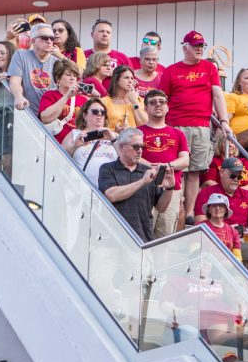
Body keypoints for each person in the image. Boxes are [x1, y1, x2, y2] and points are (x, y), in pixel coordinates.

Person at [158, 31, 228, 228]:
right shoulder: (171, 70)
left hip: (200, 125)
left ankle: (188, 212)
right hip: (175, 125)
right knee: (175, 168)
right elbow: (162, 98)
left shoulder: (209, 68)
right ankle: (174, 207)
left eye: (201, 46)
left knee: (195, 170)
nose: (199, 49)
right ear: (185, 48)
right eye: (195, 45)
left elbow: (217, 95)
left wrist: (223, 121)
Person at [98, 128, 175, 242]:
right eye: (135, 146)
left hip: (142, 239)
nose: (140, 151)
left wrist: (169, 188)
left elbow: (161, 208)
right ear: (121, 147)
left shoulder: (149, 171)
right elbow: (111, 195)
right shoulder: (107, 168)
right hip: (111, 240)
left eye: (142, 147)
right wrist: (142, 181)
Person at [193, 157, 248, 260]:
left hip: (243, 240)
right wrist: (227, 229)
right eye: (233, 175)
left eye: (239, 177)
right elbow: (200, 224)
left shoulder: (247, 195)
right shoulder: (206, 193)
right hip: (217, 240)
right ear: (221, 172)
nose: (236, 179)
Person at [138, 89, 189, 238]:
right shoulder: (138, 132)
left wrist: (166, 166)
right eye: (152, 103)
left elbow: (185, 160)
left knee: (166, 235)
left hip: (170, 188)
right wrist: (152, 166)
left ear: (167, 107)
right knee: (144, 233)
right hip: (145, 186)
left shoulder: (178, 133)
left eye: (162, 102)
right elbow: (133, 157)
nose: (158, 105)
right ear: (145, 108)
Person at [8, 23, 60, 112]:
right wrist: (18, 96)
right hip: (26, 113)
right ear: (32, 40)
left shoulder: (57, 62)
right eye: (44, 37)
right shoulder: (21, 55)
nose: (49, 41)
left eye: (52, 38)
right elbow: (14, 82)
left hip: (49, 115)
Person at [64, 99, 120, 177]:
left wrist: (113, 140)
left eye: (103, 112)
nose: (100, 114)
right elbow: (60, 158)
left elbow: (127, 158)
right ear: (85, 115)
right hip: (82, 184)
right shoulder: (75, 134)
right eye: (95, 112)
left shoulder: (114, 135)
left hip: (110, 185)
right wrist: (74, 146)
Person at [101, 65, 147, 131]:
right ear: (116, 79)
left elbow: (145, 126)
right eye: (126, 78)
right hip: (112, 139)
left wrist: (135, 102)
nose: (130, 81)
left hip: (135, 139)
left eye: (132, 78)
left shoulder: (141, 101)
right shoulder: (104, 102)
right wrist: (115, 132)